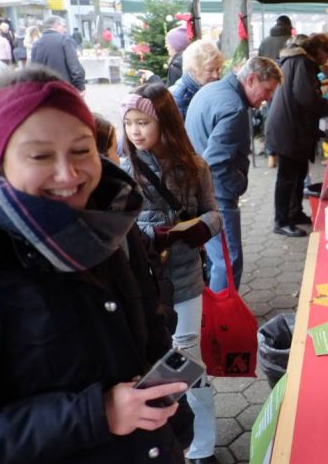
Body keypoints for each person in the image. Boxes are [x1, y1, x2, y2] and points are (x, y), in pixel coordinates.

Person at [0, 67, 193, 463]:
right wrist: (98, 414)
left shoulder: (111, 222)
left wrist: (178, 424)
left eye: (82, 150)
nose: (69, 174)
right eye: (40, 155)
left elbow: (151, 328)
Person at [120, 84, 222, 464]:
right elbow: (115, 227)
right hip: (140, 285)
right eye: (129, 123)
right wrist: (149, 234)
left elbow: (214, 212)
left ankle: (202, 446)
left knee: (187, 362)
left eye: (143, 122)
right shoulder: (120, 169)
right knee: (150, 361)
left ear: (165, 122)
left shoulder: (194, 166)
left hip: (184, 280)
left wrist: (200, 228)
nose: (135, 131)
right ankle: (164, 438)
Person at [185, 56, 282, 292]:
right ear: (251, 79)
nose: (268, 99)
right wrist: (238, 184)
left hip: (201, 188)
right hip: (217, 195)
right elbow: (216, 162)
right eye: (267, 90)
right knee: (228, 262)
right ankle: (225, 323)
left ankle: (219, 316)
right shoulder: (235, 109)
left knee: (219, 259)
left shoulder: (212, 90)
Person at [265, 33, 328, 238]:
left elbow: (303, 93)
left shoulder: (296, 60)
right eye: (327, 54)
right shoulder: (303, 63)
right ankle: (281, 221)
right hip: (289, 130)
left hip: (291, 127)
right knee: (287, 177)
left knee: (298, 173)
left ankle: (294, 213)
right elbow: (306, 97)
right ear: (320, 50)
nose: (327, 59)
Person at [169, 39, 224, 119]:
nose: (216, 75)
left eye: (218, 69)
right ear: (194, 69)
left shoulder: (210, 87)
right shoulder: (178, 97)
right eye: (210, 70)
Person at [30, 16, 86, 92]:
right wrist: (80, 87)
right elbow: (74, 66)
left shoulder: (36, 44)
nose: (65, 29)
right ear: (56, 25)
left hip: (44, 89)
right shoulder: (64, 40)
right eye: (63, 26)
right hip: (63, 87)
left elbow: (33, 70)